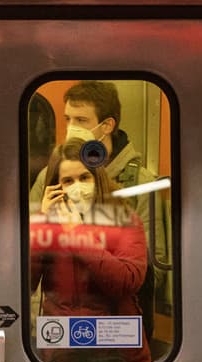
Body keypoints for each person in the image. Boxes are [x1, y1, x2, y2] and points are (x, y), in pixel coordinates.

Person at [28, 80, 170, 346]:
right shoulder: (48, 177)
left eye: (81, 120)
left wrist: (85, 242)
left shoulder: (140, 181)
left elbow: (154, 266)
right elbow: (26, 271)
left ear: (106, 125)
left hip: (118, 325)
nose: (72, 128)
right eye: (68, 118)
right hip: (58, 330)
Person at [30, 138, 152, 362]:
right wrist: (41, 224)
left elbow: (127, 281)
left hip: (120, 352)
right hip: (61, 355)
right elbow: (24, 283)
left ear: (98, 179)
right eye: (68, 181)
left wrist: (78, 234)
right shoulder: (46, 227)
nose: (78, 187)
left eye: (84, 177)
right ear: (56, 188)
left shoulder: (124, 220)